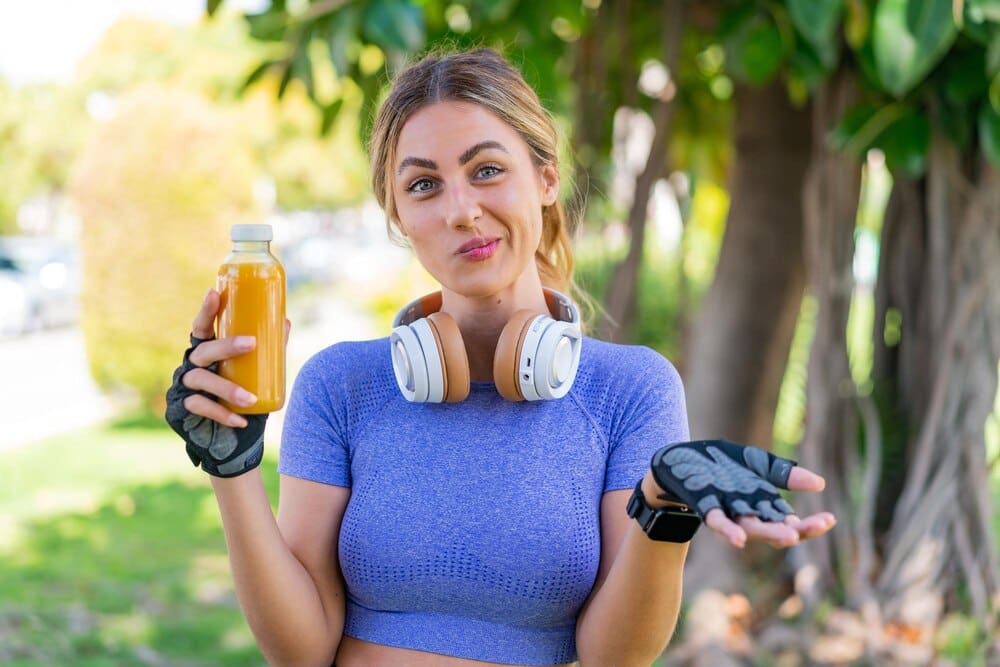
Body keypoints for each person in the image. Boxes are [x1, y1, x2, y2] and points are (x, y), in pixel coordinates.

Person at [165, 48, 836, 667]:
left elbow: (615, 657)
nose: (462, 210)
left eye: (487, 170)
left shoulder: (630, 389)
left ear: (545, 179)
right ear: (398, 215)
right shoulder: (341, 384)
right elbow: (300, 649)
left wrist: (663, 511)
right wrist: (233, 472)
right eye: (423, 185)